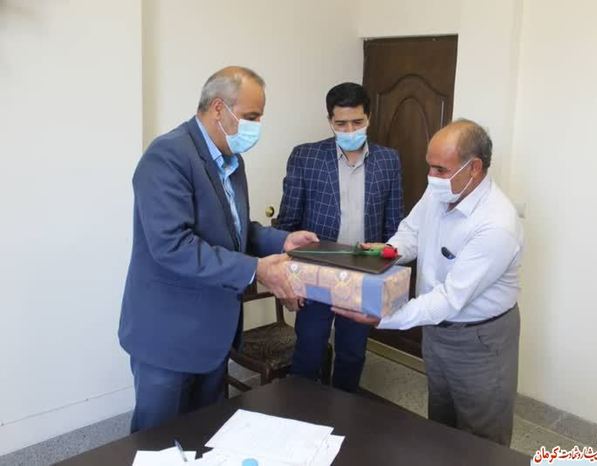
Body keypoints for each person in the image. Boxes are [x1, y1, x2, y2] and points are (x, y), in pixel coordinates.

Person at [119, 66, 318, 433]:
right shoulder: (167, 156)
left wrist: (282, 241)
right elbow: (173, 245)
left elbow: (234, 230)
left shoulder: (232, 160)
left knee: (205, 432)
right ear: (218, 109)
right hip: (168, 335)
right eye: (251, 116)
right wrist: (256, 269)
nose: (257, 126)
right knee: (157, 440)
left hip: (215, 332)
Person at [334, 119, 523, 446]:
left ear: (474, 168)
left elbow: (449, 298)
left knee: (482, 440)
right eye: (429, 166)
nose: (431, 177)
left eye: (440, 169)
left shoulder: (496, 225)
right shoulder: (442, 188)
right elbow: (411, 232)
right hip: (437, 331)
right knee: (440, 425)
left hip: (479, 340)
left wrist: (384, 318)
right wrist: (387, 252)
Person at [276, 82, 403, 392]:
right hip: (315, 273)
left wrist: (389, 278)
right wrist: (289, 278)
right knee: (309, 350)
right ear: (330, 120)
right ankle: (301, 409)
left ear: (369, 118)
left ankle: (344, 410)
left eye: (357, 122)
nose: (349, 130)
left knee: (352, 353)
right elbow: (287, 223)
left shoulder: (388, 160)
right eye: (341, 123)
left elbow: (394, 225)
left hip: (363, 274)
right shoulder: (306, 157)